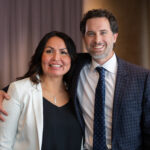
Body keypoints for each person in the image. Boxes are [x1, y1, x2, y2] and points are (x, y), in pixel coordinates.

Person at [1, 8, 150, 150]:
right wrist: (2, 93)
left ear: (115, 36)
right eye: (91, 33)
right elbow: (32, 84)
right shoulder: (76, 65)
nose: (97, 40)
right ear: (84, 38)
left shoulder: (141, 78)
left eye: (103, 32)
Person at [0, 31, 83, 150]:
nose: (56, 58)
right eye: (49, 51)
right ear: (40, 56)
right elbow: (3, 144)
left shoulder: (78, 93)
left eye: (64, 52)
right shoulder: (19, 90)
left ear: (71, 59)